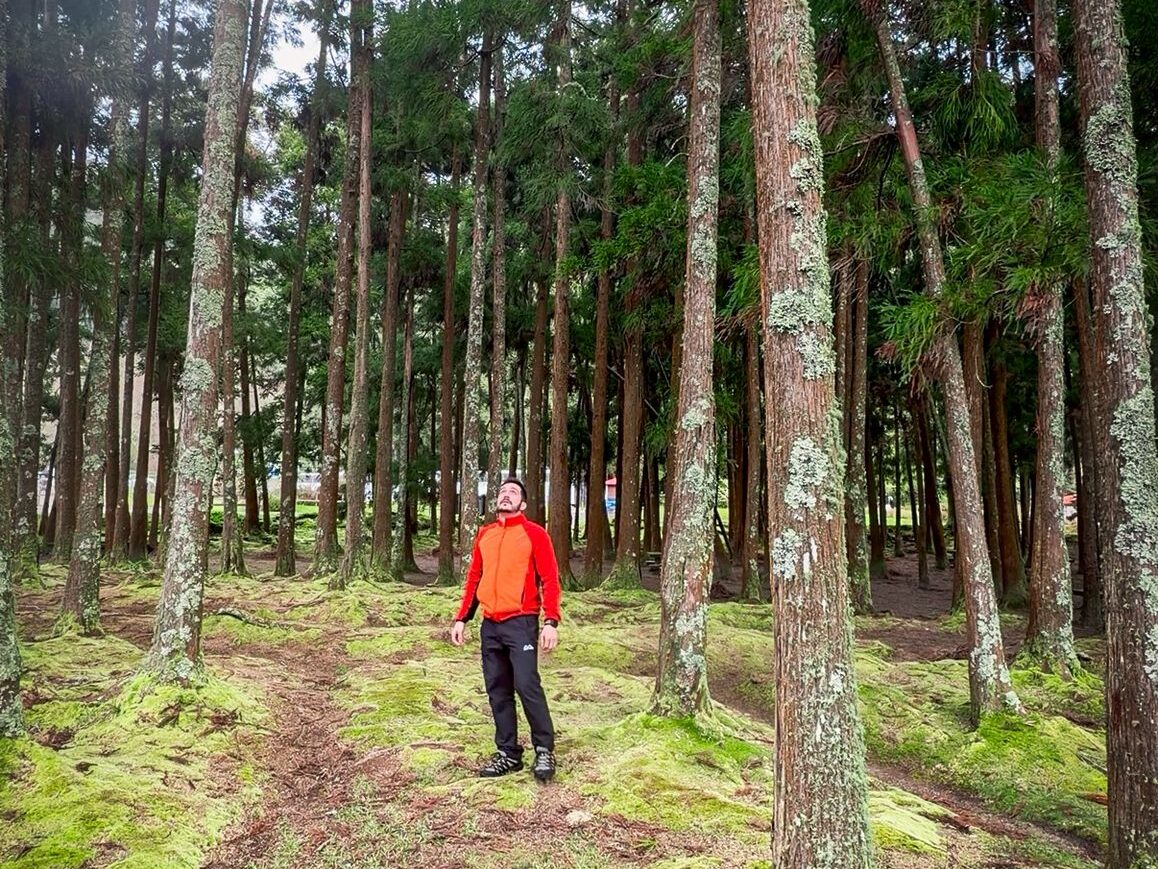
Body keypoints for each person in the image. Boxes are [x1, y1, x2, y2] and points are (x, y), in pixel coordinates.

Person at [450, 477, 562, 781]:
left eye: (513, 492)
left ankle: (544, 749)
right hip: (491, 625)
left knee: (526, 685)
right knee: (497, 689)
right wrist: (462, 618)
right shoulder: (485, 535)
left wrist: (550, 621)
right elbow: (475, 579)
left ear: (523, 504)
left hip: (521, 622)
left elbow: (550, 579)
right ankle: (508, 753)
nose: (506, 495)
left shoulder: (535, 534)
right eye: (502, 492)